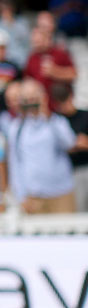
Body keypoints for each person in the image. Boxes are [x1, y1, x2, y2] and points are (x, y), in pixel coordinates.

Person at [9, 80, 76, 214]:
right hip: (33, 195)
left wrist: (48, 116)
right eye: (27, 100)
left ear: (43, 98)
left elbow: (69, 143)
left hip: (61, 193)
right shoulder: (17, 128)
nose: (32, 103)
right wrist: (21, 196)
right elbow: (15, 163)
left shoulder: (57, 121)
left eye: (34, 98)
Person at [24, 12, 77, 112]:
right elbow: (28, 79)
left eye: (38, 41)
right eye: (34, 42)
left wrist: (55, 72)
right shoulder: (32, 57)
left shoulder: (60, 53)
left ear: (47, 39)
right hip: (42, 109)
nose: (36, 44)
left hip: (61, 107)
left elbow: (73, 74)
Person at [53, 84, 88, 212]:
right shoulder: (57, 120)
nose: (64, 105)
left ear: (71, 97)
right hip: (71, 171)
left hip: (86, 165)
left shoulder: (85, 116)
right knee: (80, 209)